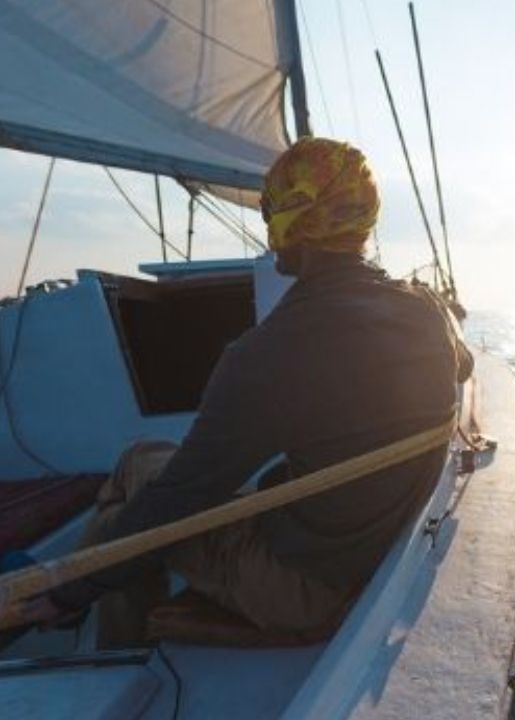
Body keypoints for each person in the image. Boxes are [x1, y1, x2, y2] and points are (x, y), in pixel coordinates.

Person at [42, 137, 473, 647]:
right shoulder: (429, 312)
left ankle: (105, 648)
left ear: (292, 222)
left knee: (137, 473)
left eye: (270, 208)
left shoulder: (269, 354)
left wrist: (68, 589)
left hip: (301, 586)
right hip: (375, 554)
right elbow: (463, 367)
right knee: (152, 474)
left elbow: (180, 501)